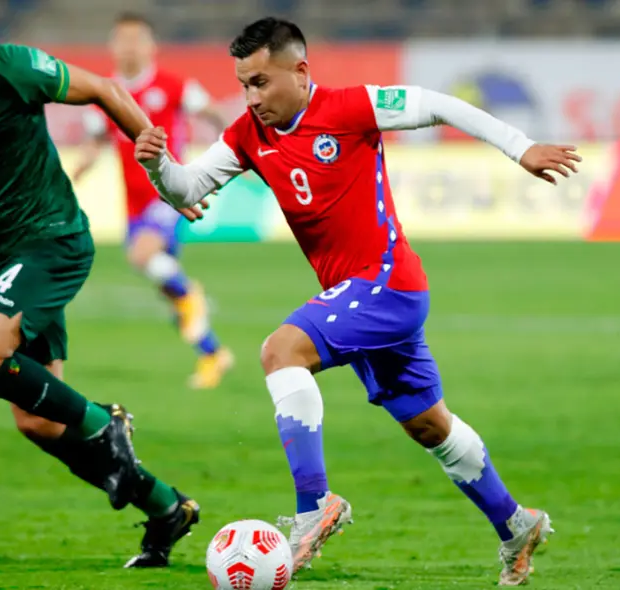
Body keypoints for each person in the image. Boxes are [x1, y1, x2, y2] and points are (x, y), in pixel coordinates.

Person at [135, 17, 582, 586]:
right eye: (244, 84)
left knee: (280, 352)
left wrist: (521, 149)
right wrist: (157, 164)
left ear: (300, 72)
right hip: (357, 295)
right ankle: (516, 523)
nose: (251, 97)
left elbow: (443, 104)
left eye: (261, 82)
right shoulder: (250, 132)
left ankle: (313, 506)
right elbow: (188, 189)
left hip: (387, 282)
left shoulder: (351, 109)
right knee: (427, 425)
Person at [0, 0, 201, 568]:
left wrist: (165, 174)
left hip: (52, 237)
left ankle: (107, 422)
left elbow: (104, 88)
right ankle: (165, 508)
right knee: (37, 420)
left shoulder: (7, 66)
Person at [71, 13, 234, 390]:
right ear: (113, 46)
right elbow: (97, 139)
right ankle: (212, 353)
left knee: (142, 256)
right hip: (133, 205)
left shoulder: (173, 86)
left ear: (150, 46)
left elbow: (212, 114)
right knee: (169, 292)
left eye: (136, 40)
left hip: (170, 196)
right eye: (122, 40)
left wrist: (233, 152)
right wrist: (84, 164)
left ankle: (192, 294)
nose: (129, 47)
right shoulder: (106, 92)